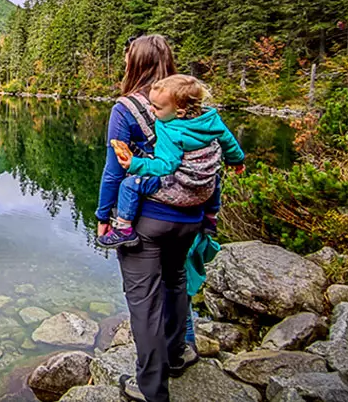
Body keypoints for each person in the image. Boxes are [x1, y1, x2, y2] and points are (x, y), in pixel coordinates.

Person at [95, 35, 209, 402]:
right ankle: (177, 355)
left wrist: (103, 215)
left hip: (148, 219)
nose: (125, 62)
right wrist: (209, 212)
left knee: (144, 301)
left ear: (137, 63)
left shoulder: (126, 107)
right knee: (175, 282)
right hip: (189, 217)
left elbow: (115, 170)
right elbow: (214, 158)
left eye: (128, 57)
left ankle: (152, 389)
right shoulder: (191, 106)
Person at [97, 74, 246, 248]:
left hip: (178, 190)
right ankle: (211, 218)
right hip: (204, 191)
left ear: (179, 112)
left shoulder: (170, 130)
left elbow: (166, 166)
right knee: (215, 177)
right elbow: (229, 142)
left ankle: (124, 229)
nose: (151, 109)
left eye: (156, 107)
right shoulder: (211, 120)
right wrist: (236, 160)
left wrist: (134, 164)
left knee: (130, 184)